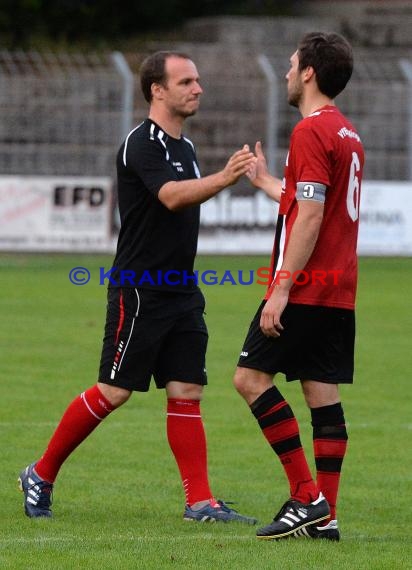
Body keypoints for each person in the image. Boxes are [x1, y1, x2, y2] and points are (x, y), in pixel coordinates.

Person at [19, 50, 257, 525]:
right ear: (158, 90)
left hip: (181, 289)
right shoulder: (140, 143)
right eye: (187, 81)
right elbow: (170, 197)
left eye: (198, 80)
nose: (198, 88)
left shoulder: (185, 148)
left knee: (187, 389)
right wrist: (225, 178)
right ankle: (40, 474)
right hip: (140, 289)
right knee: (113, 391)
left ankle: (200, 502)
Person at [234, 32, 364, 541]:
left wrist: (281, 288)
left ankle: (307, 498)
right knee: (321, 393)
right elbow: (315, 204)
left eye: (291, 65)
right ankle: (326, 516)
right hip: (340, 285)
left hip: (308, 286)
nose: (287, 73)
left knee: (249, 379)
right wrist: (268, 182)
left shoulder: (311, 131)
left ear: (309, 72)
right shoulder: (346, 132)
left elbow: (310, 217)